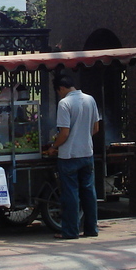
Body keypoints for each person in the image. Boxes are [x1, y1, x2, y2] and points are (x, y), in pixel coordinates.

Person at [45, 71, 101, 240]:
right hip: (87, 154)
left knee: (70, 194)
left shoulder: (65, 103)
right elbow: (96, 128)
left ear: (61, 88)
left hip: (69, 156)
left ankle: (70, 231)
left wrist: (53, 147)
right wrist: (83, 138)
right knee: (89, 193)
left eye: (58, 91)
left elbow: (64, 133)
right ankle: (91, 229)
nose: (59, 94)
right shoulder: (90, 99)